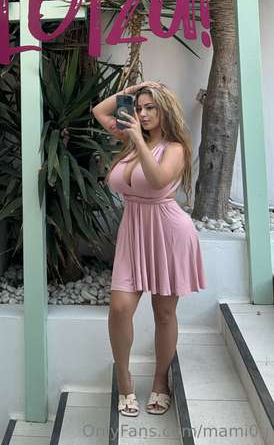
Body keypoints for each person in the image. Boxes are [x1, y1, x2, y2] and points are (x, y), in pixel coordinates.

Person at [92, 80, 206, 417]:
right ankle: (124, 380)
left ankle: (160, 380)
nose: (141, 114)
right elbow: (99, 110)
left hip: (169, 232)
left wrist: (140, 141)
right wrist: (136, 88)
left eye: (150, 107)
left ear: (164, 110)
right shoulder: (129, 139)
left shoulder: (175, 148)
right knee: (120, 309)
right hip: (134, 232)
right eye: (139, 108)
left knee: (164, 313)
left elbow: (157, 180)